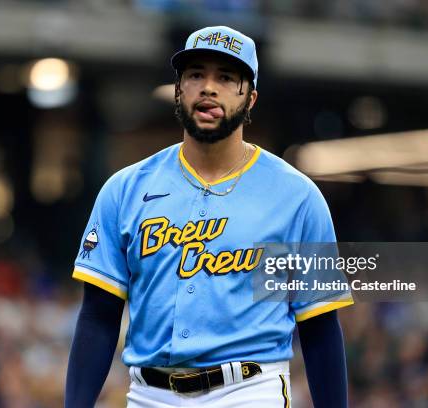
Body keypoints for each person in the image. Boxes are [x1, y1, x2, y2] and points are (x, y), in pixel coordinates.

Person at [65, 26, 354, 407]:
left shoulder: (297, 198)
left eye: (226, 77)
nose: (208, 87)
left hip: (250, 391)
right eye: (196, 74)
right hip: (149, 395)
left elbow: (318, 328)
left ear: (250, 98)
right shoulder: (125, 189)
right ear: (179, 89)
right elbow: (98, 319)